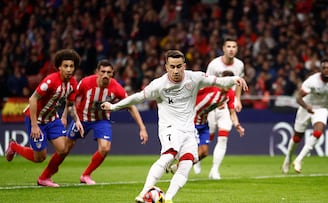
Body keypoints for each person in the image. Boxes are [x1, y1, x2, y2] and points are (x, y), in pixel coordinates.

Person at [101, 50, 248, 203]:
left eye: (179, 66)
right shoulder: (159, 85)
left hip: (189, 130)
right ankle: (143, 193)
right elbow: (138, 97)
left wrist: (235, 79)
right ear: (166, 67)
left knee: (186, 163)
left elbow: (217, 81)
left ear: (184, 66)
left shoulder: (195, 78)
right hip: (169, 127)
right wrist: (114, 107)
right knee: (169, 155)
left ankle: (168, 198)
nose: (176, 70)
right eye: (172, 67)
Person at [5, 49, 84, 187]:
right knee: (39, 158)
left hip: (53, 119)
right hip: (36, 119)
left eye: (71, 66)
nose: (69, 69)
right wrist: (35, 125)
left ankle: (44, 178)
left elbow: (70, 105)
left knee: (63, 149)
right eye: (65, 66)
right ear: (59, 67)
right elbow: (32, 99)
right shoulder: (50, 81)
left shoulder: (72, 83)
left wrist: (76, 120)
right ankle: (14, 146)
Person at [65, 59, 149, 184]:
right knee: (64, 148)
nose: (105, 75)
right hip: (82, 118)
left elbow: (131, 106)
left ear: (112, 74)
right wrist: (64, 116)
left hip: (102, 120)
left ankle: (86, 175)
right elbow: (71, 98)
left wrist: (142, 128)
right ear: (97, 72)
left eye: (109, 72)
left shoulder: (116, 87)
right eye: (103, 71)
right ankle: (46, 176)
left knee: (105, 148)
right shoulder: (86, 82)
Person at [281, 58, 328, 174]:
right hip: (306, 107)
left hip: (321, 109)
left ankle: (299, 160)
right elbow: (298, 98)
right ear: (320, 69)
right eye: (324, 68)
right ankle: (288, 158)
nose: (326, 70)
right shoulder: (312, 81)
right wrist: (306, 107)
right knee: (297, 137)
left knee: (318, 132)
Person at [205, 37, 245, 179]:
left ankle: (215, 170)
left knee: (223, 138)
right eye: (228, 46)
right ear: (223, 48)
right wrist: (214, 100)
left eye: (234, 47)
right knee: (208, 136)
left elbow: (239, 83)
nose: (231, 49)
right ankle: (197, 159)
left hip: (226, 104)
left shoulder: (239, 65)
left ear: (237, 49)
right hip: (211, 105)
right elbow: (206, 83)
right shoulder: (214, 65)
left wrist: (237, 99)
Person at [193, 70, 245, 175]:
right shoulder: (209, 87)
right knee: (194, 148)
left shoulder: (230, 93)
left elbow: (232, 112)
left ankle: (214, 169)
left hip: (204, 121)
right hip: (191, 120)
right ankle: (178, 165)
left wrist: (237, 124)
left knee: (207, 150)